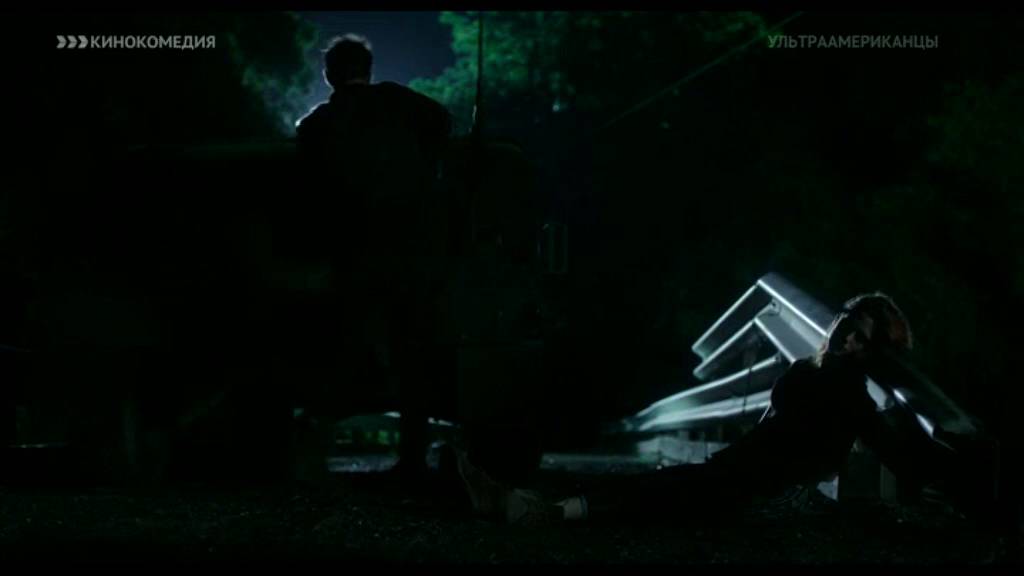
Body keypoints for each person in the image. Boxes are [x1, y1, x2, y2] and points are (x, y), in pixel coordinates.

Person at [447, 292, 923, 525]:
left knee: (662, 493)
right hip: (742, 475)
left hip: (765, 495)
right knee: (662, 487)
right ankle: (522, 502)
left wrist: (940, 467)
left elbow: (896, 450)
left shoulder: (848, 394)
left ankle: (537, 511)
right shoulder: (805, 370)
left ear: (870, 353)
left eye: (862, 338)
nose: (847, 337)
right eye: (848, 323)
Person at [293, 34, 453, 479]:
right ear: (369, 69)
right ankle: (412, 458)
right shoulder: (404, 104)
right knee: (411, 355)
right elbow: (444, 123)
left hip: (355, 254)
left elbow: (307, 187)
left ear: (329, 75)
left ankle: (310, 448)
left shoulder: (318, 124)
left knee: (338, 346)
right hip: (411, 251)